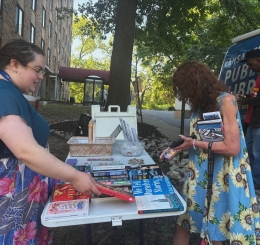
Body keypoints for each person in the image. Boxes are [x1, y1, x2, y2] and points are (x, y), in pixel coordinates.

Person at [0, 39, 101, 244]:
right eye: (37, 69)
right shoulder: (4, 94)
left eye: (43, 71)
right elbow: (25, 151)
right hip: (13, 201)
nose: (40, 76)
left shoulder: (11, 92)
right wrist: (73, 176)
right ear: (14, 64)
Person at [169, 61, 260, 245]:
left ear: (195, 83)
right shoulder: (200, 106)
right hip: (199, 177)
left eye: (185, 88)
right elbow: (208, 139)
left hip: (224, 177)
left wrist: (195, 142)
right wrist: (188, 144)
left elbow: (232, 148)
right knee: (184, 225)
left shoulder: (227, 101)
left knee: (215, 229)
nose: (184, 94)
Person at [237, 49, 260, 190]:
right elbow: (255, 98)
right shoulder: (258, 76)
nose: (250, 68)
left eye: (251, 64)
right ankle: (251, 177)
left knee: (258, 152)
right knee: (249, 151)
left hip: (258, 123)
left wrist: (246, 99)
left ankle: (257, 180)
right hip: (252, 121)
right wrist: (245, 96)